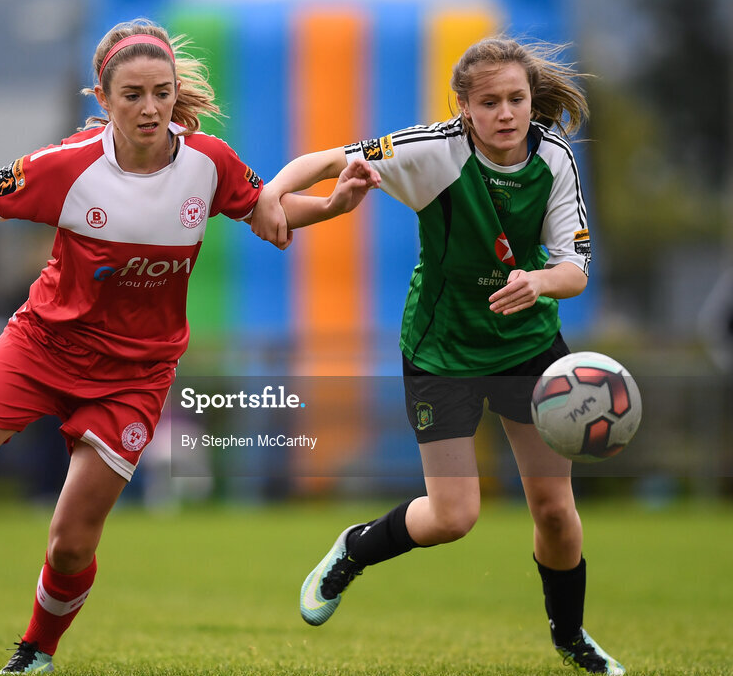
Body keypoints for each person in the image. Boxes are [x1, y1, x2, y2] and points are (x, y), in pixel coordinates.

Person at [0, 18, 374, 675]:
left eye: (162, 91)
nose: (150, 107)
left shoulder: (208, 162)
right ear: (102, 100)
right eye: (133, 95)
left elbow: (268, 211)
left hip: (135, 374)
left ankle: (36, 652)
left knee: (70, 543)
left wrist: (333, 205)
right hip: (42, 345)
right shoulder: (67, 166)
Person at [253, 36, 624, 675]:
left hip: (529, 347)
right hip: (442, 349)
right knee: (454, 517)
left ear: (530, 100)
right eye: (490, 102)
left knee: (556, 510)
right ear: (464, 107)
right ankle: (353, 550)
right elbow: (321, 160)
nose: (506, 113)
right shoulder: (431, 151)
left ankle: (571, 640)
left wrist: (536, 282)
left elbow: (574, 271)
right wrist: (268, 197)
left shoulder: (555, 159)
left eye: (516, 99)